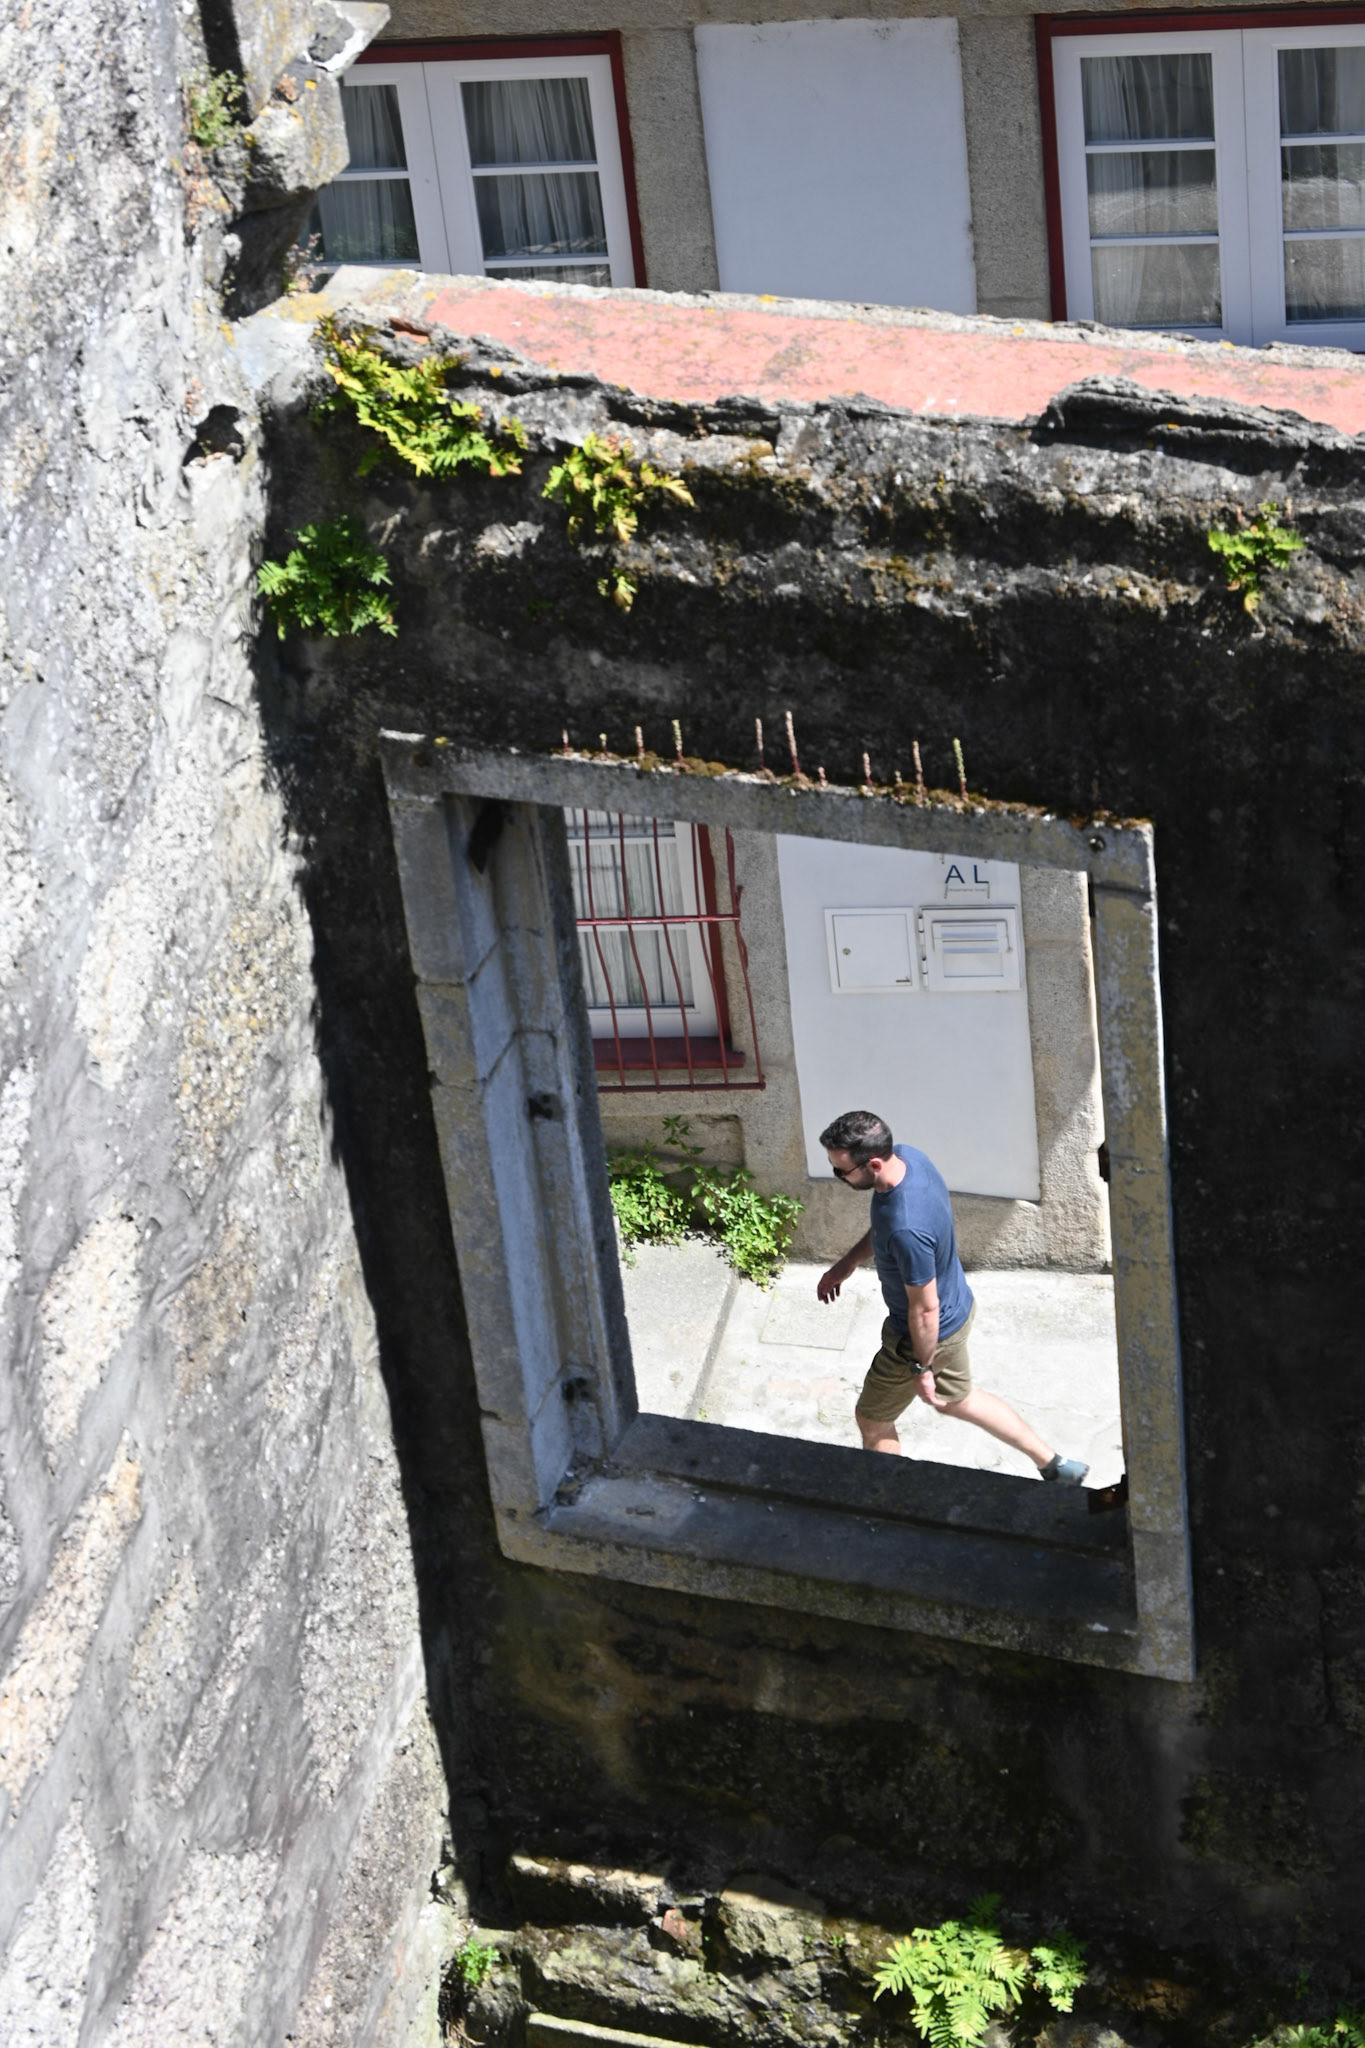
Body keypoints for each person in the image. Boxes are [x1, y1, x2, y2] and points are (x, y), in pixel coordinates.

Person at [816, 1109, 1089, 1483]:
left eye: (841, 1171)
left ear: (874, 1163)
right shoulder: (911, 1159)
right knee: (959, 1400)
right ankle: (1055, 1464)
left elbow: (924, 1309)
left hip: (921, 1336)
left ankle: (895, 1505)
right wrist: (847, 1263)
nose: (838, 1178)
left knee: (873, 1420)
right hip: (958, 1310)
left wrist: (921, 1367)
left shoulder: (906, 1228)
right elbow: (883, 1230)